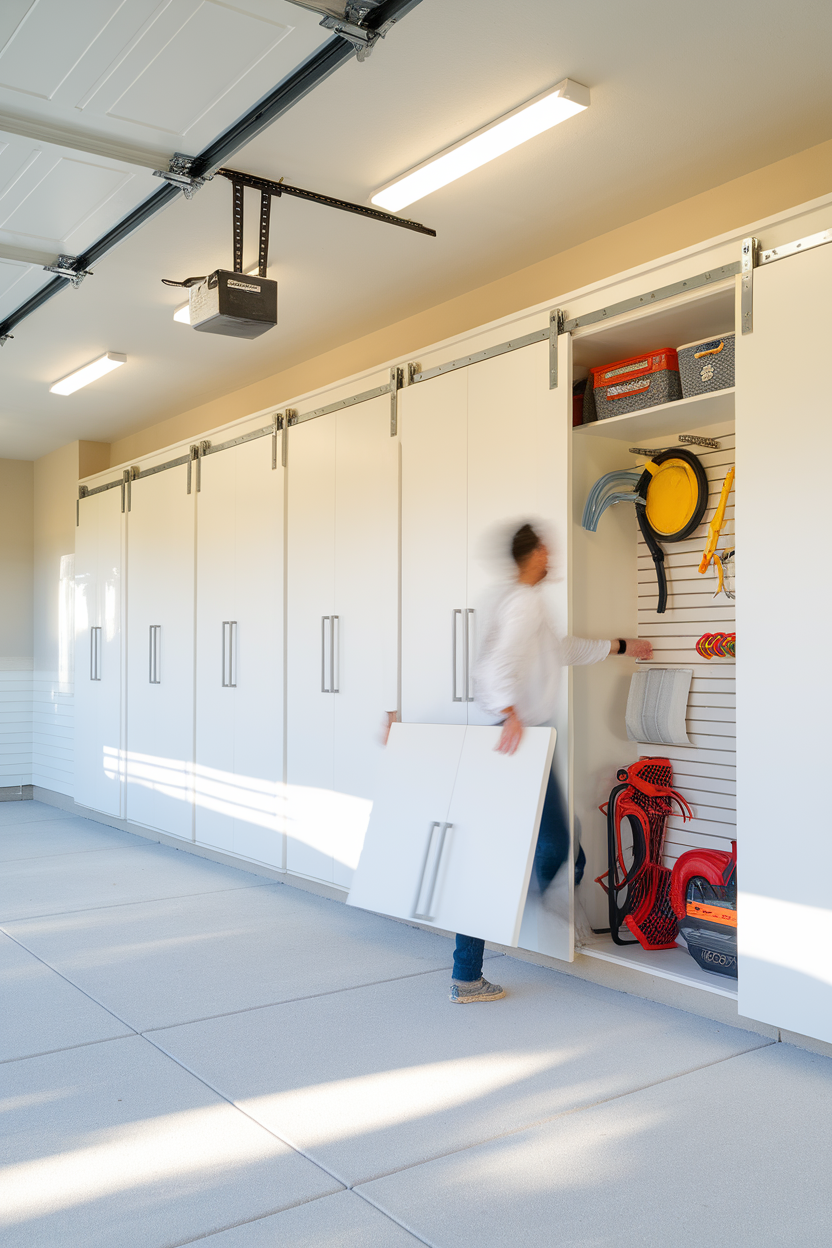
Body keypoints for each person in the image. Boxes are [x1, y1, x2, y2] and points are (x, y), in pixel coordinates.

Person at [449, 522, 653, 1003]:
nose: (553, 554)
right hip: (517, 741)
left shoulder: (523, 602)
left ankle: (470, 971)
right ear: (535, 553)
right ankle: (543, 906)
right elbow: (493, 668)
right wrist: (511, 716)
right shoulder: (525, 601)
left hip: (523, 739)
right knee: (554, 849)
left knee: (541, 850)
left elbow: (561, 649)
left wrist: (622, 647)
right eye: (548, 547)